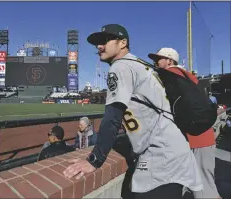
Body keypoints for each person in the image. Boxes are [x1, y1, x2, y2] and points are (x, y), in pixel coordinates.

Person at [63, 24, 202, 199]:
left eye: (104, 40)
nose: (99, 46)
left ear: (123, 43)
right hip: (174, 151)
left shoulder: (120, 66)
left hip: (161, 157)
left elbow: (112, 117)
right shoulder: (140, 64)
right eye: (97, 43)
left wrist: (94, 160)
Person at [148, 47, 221, 199]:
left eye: (158, 59)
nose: (155, 62)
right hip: (203, 135)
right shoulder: (186, 77)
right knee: (206, 185)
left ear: (169, 61)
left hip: (197, 138)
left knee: (204, 189)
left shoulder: (172, 74)